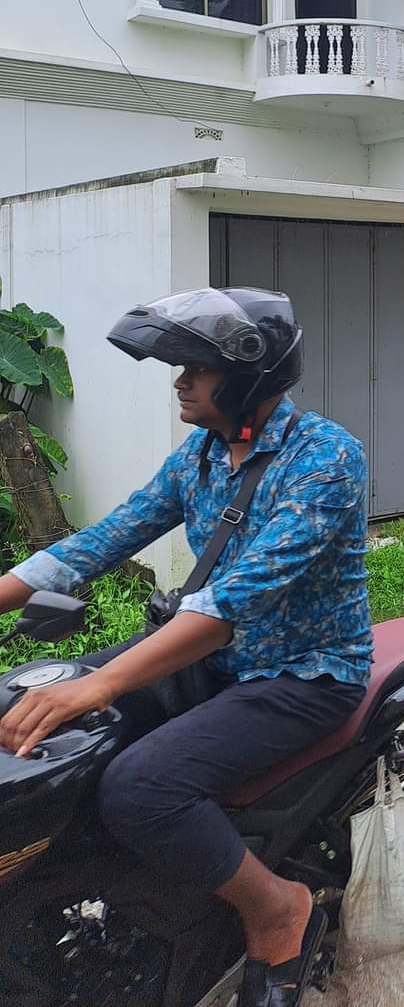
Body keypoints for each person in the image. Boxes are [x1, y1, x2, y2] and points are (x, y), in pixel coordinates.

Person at [0, 287, 372, 1007]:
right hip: (213, 659)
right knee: (21, 712)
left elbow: (234, 602)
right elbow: (100, 541)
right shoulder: (200, 456)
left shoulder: (326, 459)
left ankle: (274, 908)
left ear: (251, 376)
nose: (180, 382)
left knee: (141, 786)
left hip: (302, 675)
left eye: (196, 368)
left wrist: (100, 684)